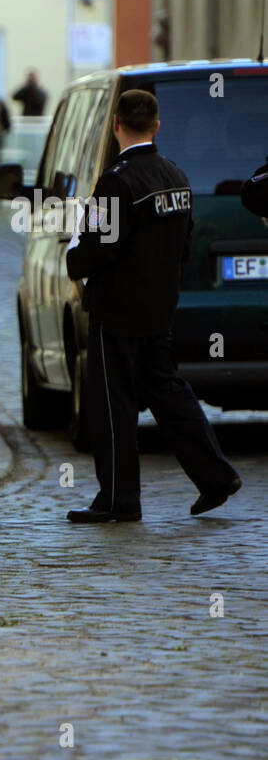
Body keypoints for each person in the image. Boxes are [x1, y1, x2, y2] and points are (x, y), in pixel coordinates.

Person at [65, 89, 241, 523]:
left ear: (116, 125)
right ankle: (216, 475)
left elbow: (96, 249)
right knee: (169, 392)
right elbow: (184, 245)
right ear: (157, 125)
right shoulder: (177, 177)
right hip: (160, 310)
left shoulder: (116, 181)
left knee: (113, 403)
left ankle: (117, 499)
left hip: (117, 311)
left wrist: (73, 260)